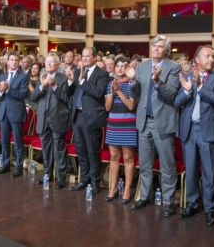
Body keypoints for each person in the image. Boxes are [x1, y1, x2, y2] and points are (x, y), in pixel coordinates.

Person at [127, 36, 181, 215]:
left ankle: (169, 202)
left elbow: (171, 93)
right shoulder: (141, 66)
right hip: (144, 121)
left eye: (160, 47)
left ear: (166, 50)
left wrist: (158, 81)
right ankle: (144, 197)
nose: (156, 49)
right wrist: (133, 81)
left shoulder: (174, 67)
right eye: (154, 46)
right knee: (144, 163)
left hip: (163, 122)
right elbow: (134, 93)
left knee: (167, 164)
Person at [175, 45, 214, 226]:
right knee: (190, 169)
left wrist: (200, 86)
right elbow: (177, 101)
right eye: (207, 56)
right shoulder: (186, 77)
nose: (211, 59)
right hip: (189, 129)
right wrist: (188, 90)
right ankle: (192, 203)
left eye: (213, 56)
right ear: (197, 60)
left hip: (208, 130)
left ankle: (210, 207)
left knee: (209, 171)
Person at [67, 47, 109, 194]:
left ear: (95, 57)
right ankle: (84, 180)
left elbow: (98, 92)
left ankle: (95, 181)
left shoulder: (102, 74)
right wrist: (71, 81)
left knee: (92, 151)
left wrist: (83, 80)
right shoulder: (78, 72)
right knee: (81, 150)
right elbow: (70, 93)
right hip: (77, 115)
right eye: (82, 56)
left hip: (91, 117)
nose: (84, 59)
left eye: (87, 56)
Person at [31, 53, 72, 187]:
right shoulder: (41, 77)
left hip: (57, 118)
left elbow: (66, 99)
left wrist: (54, 86)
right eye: (47, 62)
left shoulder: (63, 78)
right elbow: (33, 97)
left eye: (51, 62)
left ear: (58, 64)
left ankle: (61, 177)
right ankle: (47, 175)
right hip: (43, 118)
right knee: (46, 149)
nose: (48, 64)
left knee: (59, 149)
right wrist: (42, 86)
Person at [105, 57, 137, 203]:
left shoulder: (132, 84)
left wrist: (119, 91)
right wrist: (112, 92)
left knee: (128, 158)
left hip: (128, 124)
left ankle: (127, 190)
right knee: (113, 157)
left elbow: (131, 106)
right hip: (113, 123)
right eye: (117, 66)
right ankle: (113, 188)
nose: (119, 68)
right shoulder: (110, 83)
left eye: (122, 66)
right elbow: (107, 107)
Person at [0, 52, 29, 176]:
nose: (14, 62)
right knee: (4, 141)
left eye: (16, 60)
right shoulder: (2, 75)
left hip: (16, 111)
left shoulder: (23, 76)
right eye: (11, 60)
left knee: (18, 141)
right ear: (7, 62)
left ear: (18, 62)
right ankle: (5, 165)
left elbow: (23, 94)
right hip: (3, 111)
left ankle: (19, 167)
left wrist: (8, 89)